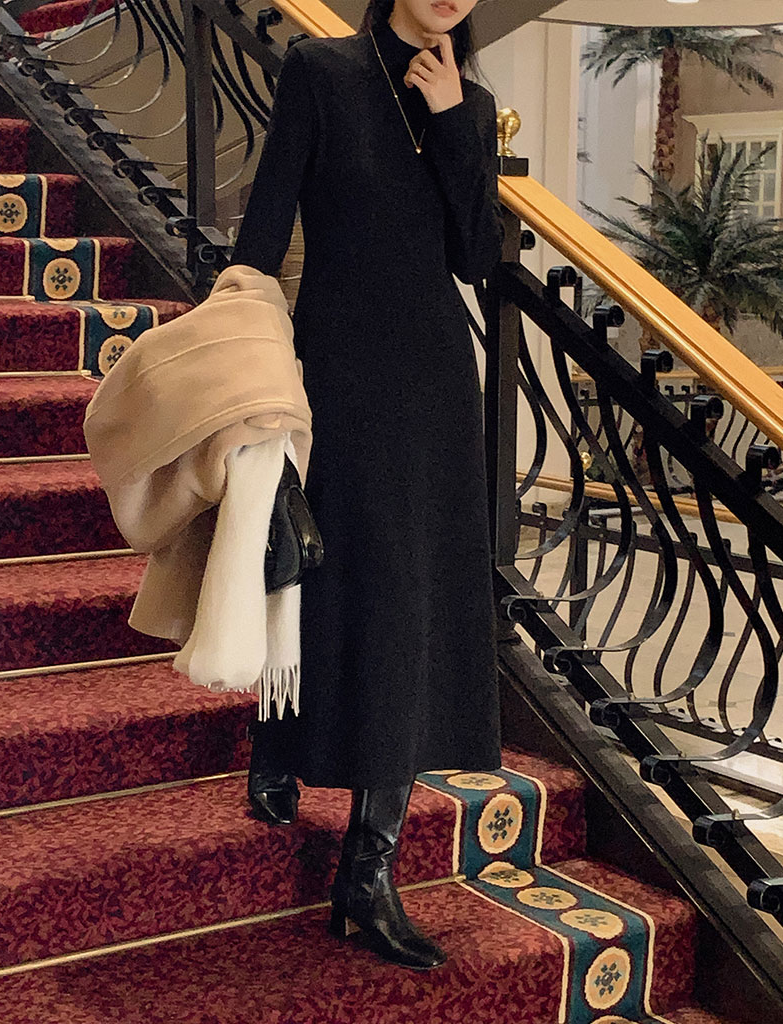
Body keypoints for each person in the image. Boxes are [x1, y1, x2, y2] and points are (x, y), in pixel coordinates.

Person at [229, 0, 505, 971]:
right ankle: (278, 741)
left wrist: (455, 120)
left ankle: (368, 871)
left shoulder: (470, 102)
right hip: (335, 374)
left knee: (410, 608)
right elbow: (264, 230)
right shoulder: (323, 71)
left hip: (434, 390)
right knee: (318, 570)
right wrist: (239, 365)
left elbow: (477, 256)